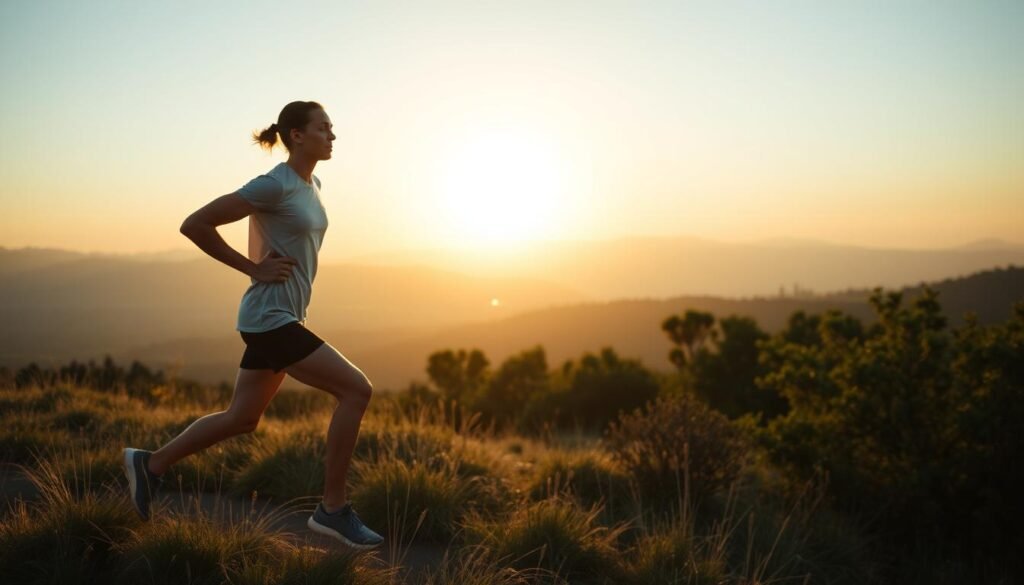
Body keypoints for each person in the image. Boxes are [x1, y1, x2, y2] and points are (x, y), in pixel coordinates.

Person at [122, 100, 384, 549]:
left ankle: (151, 465)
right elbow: (196, 224)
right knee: (357, 390)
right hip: (270, 320)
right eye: (324, 128)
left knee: (243, 418)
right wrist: (252, 268)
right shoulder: (274, 184)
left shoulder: (312, 182)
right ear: (297, 135)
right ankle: (333, 510)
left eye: (332, 128)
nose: (333, 135)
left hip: (279, 317)